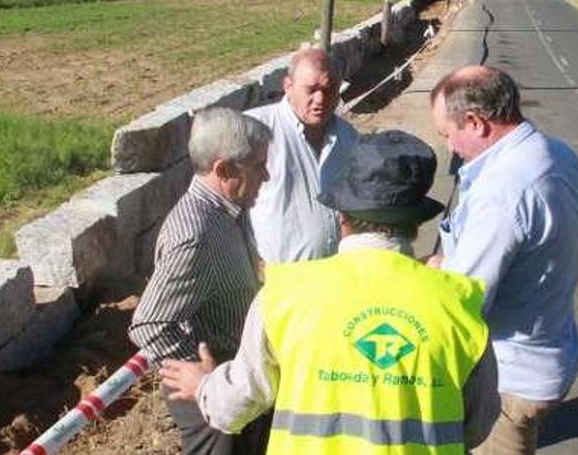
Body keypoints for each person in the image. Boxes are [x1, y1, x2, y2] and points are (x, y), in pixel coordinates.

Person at [160, 130, 500, 454]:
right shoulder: (458, 304)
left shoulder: (285, 296)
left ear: (341, 215)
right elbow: (476, 425)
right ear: (416, 223)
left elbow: (235, 406)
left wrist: (204, 387)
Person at [429, 66, 578, 455]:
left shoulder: (502, 191)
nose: (449, 148)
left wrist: (437, 275)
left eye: (448, 135)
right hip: (550, 351)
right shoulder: (557, 154)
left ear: (476, 122)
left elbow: (463, 302)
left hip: (509, 376)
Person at [128, 107, 273, 455]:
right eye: (257, 166)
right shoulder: (198, 234)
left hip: (233, 376)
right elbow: (148, 323)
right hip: (210, 388)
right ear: (223, 169)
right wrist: (197, 373)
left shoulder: (228, 211)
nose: (266, 176)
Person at [245, 47, 358, 264]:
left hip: (335, 278)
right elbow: (229, 201)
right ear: (288, 86)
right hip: (277, 280)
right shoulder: (256, 131)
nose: (320, 99)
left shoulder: (349, 138)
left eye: (329, 89)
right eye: (311, 89)